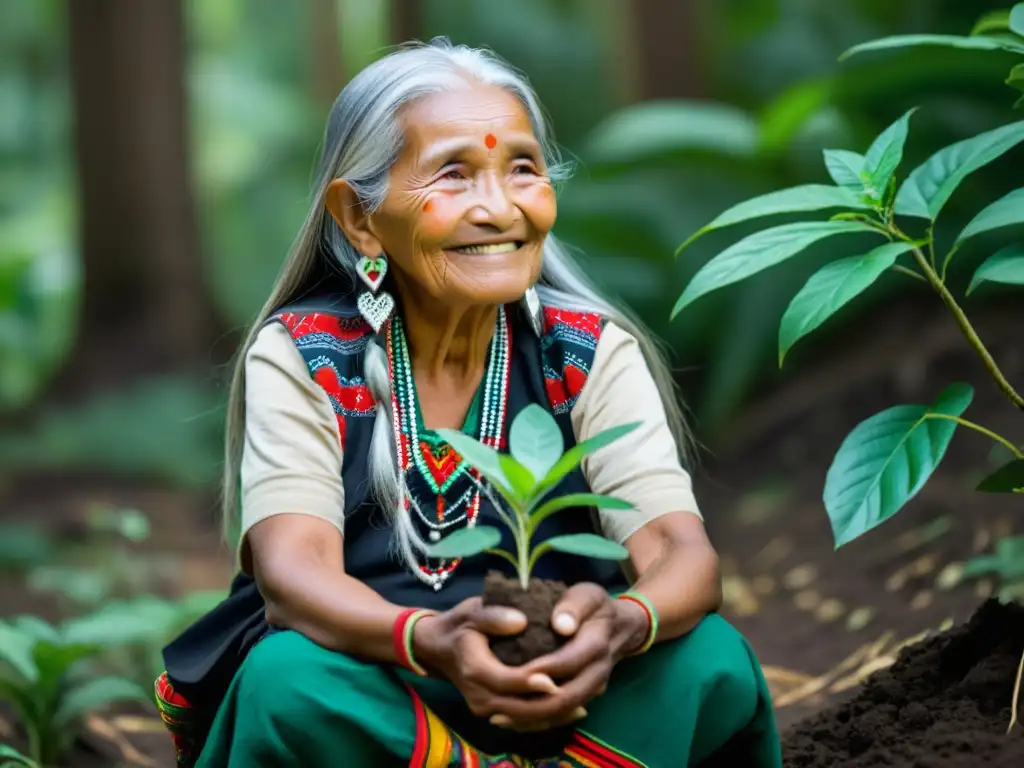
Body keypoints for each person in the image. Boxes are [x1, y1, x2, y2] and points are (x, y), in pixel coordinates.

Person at [155, 38, 782, 768]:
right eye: (453, 173)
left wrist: (619, 625)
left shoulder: (586, 351)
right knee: (287, 681)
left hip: (572, 690)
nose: (498, 206)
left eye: (522, 167)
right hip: (387, 693)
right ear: (359, 219)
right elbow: (293, 575)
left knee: (711, 659)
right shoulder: (306, 354)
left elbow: (680, 553)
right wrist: (429, 639)